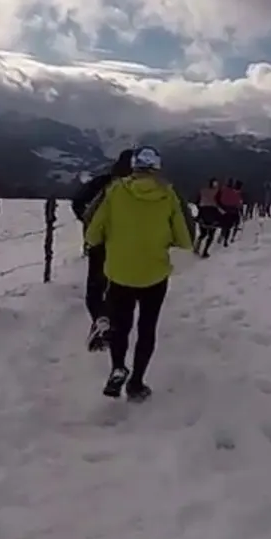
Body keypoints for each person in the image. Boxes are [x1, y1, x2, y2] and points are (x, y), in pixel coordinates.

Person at [82, 145, 195, 400]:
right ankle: (136, 383)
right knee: (147, 328)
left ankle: (118, 368)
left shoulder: (115, 191)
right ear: (157, 169)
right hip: (154, 275)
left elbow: (92, 234)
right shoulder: (169, 195)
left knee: (121, 326)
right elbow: (185, 241)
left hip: (119, 272)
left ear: (133, 167)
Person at [70, 149, 135, 351]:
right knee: (117, 287)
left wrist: (88, 222)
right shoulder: (141, 189)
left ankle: (101, 320)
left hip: (99, 242)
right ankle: (110, 324)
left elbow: (77, 201)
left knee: (95, 288)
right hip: (127, 246)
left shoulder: (103, 182)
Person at [218, 179, 244, 244]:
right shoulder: (237, 193)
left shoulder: (225, 190)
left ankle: (222, 235)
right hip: (233, 211)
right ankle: (232, 237)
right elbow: (239, 204)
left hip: (225, 210)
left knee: (225, 225)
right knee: (235, 224)